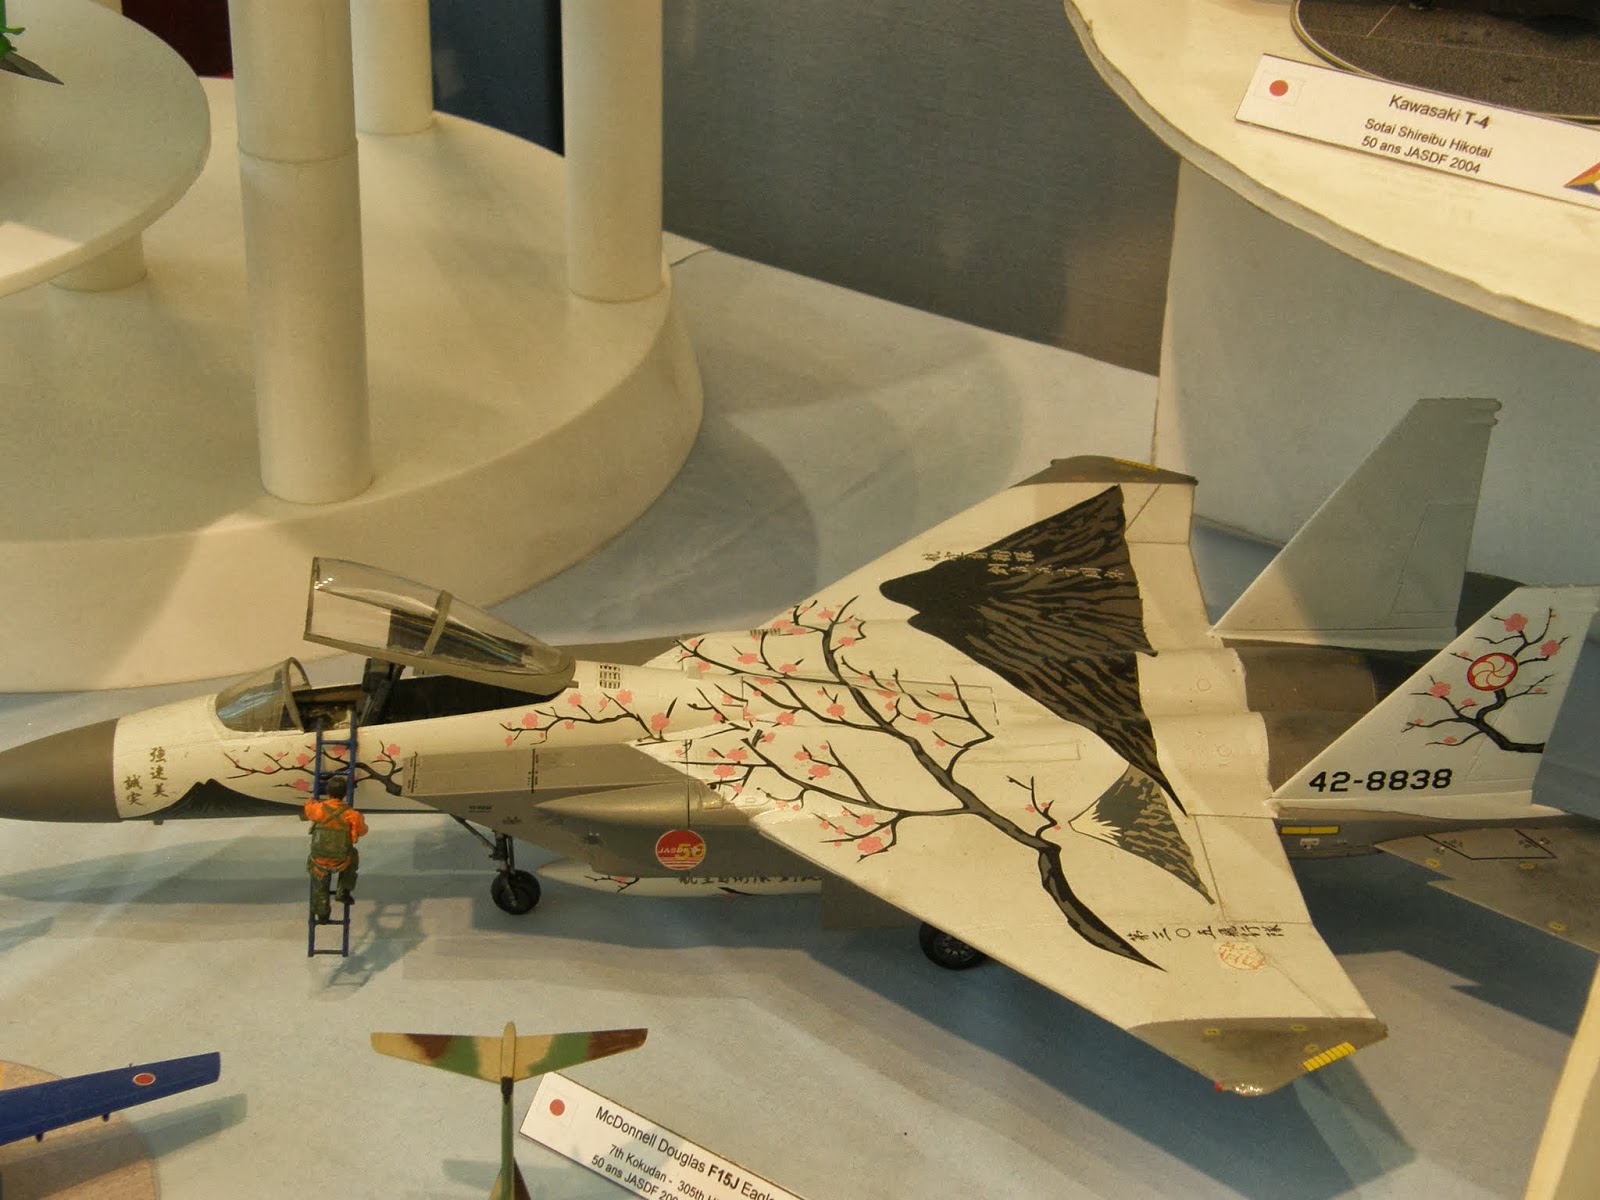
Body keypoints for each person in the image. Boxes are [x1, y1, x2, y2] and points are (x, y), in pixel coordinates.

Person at [302, 775, 368, 922]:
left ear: (328, 792)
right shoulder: (351, 815)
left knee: (319, 885)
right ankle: (344, 889)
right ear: (345, 793)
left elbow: (308, 809)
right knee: (353, 855)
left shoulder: (318, 809)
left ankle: (322, 912)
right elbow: (362, 831)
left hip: (319, 859)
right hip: (341, 860)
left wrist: (311, 801)